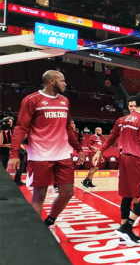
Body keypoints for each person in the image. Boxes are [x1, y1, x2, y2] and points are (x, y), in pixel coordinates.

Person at [7, 70, 85, 228]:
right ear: (52, 81)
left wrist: (78, 147)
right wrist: (14, 153)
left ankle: (50, 220)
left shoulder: (65, 101)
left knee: (67, 192)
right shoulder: (31, 100)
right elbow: (21, 128)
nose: (65, 83)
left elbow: (68, 128)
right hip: (40, 156)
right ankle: (35, 232)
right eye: (62, 80)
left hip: (63, 155)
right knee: (39, 196)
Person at [93, 92, 140, 246]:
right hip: (136, 160)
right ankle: (126, 227)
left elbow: (111, 138)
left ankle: (124, 235)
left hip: (123, 159)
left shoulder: (122, 120)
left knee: (127, 195)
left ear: (135, 104)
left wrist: (99, 151)